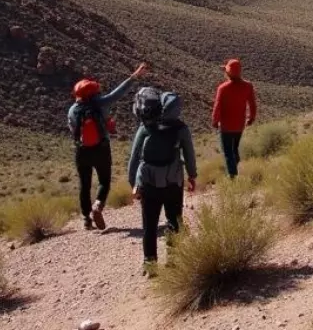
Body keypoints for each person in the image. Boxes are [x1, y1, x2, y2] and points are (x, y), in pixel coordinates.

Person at [67, 62, 147, 230]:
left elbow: (73, 129)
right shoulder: (101, 104)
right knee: (104, 181)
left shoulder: (72, 110)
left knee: (84, 184)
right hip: (101, 148)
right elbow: (118, 93)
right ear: (92, 94)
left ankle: (86, 220)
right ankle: (98, 205)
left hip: (81, 151)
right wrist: (134, 76)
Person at [127, 87, 197, 271]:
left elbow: (134, 159)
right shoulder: (181, 128)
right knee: (174, 221)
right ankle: (173, 261)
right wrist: (192, 176)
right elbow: (189, 154)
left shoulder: (145, 128)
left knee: (149, 225)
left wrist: (134, 185)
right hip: (173, 182)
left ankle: (150, 263)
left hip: (149, 184)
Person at [211, 58, 257, 178]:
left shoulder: (223, 88)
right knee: (234, 148)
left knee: (227, 151)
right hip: (239, 125)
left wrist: (215, 121)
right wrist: (251, 118)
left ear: (228, 72)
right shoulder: (248, 86)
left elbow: (217, 106)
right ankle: (234, 166)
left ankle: (232, 176)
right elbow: (252, 104)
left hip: (226, 126)